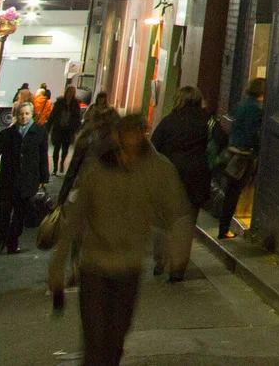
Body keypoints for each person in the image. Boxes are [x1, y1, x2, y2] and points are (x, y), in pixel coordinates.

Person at [48, 109, 194, 366]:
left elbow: (178, 212)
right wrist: (58, 266)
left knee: (115, 341)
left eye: (138, 132)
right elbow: (77, 218)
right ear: (118, 136)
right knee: (95, 341)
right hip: (95, 266)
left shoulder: (158, 169)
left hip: (128, 267)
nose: (133, 139)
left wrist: (178, 250)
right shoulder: (99, 170)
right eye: (128, 133)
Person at [0, 98, 52, 253]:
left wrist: (44, 178)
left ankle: (12, 242)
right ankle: (2, 238)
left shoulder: (39, 133)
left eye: (27, 114)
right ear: (16, 115)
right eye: (21, 114)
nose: (24, 117)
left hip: (27, 181)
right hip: (8, 180)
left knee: (20, 215)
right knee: (3, 213)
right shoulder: (6, 135)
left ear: (32, 115)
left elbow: (42, 156)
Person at [150, 86, 216, 249]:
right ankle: (177, 270)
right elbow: (221, 141)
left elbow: (153, 146)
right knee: (187, 225)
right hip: (197, 177)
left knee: (165, 220)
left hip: (170, 176)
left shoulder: (168, 122)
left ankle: (161, 256)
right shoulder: (207, 121)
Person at [217, 78, 265, 238]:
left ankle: (223, 227)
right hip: (243, 156)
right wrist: (255, 152)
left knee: (230, 190)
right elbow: (252, 133)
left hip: (234, 152)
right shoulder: (254, 109)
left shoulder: (242, 105)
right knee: (234, 192)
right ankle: (224, 229)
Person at [50, 83, 85, 168]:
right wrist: (49, 126)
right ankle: (55, 166)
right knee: (56, 149)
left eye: (73, 92)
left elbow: (77, 117)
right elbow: (53, 114)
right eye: (70, 91)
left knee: (65, 149)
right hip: (59, 128)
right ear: (66, 92)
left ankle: (62, 162)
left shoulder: (75, 103)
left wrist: (76, 128)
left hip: (68, 130)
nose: (71, 93)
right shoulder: (59, 102)